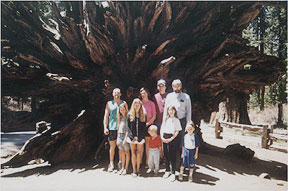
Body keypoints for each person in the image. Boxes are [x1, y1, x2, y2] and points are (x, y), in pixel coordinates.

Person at [162, 79, 192, 167]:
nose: (176, 87)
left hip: (182, 121)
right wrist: (164, 121)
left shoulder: (186, 97)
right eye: (175, 85)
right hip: (170, 121)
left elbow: (189, 111)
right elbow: (165, 110)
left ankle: (180, 165)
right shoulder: (169, 96)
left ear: (181, 86)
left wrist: (188, 123)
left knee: (180, 143)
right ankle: (169, 166)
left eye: (178, 85)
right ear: (172, 86)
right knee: (170, 144)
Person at [103, 88, 128, 172]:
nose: (116, 94)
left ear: (120, 94)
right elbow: (106, 116)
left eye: (118, 93)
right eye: (115, 93)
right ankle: (111, 163)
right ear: (112, 94)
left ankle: (120, 163)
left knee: (120, 146)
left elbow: (126, 115)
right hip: (112, 127)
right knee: (112, 146)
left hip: (121, 128)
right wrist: (105, 127)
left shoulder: (124, 103)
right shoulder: (109, 103)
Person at [160, 106, 182, 182]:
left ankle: (173, 173)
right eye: (169, 110)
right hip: (165, 137)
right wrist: (162, 138)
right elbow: (162, 128)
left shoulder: (176, 120)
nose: (171, 111)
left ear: (175, 111)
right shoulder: (166, 119)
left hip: (172, 138)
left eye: (172, 110)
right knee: (166, 155)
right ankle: (167, 170)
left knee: (173, 155)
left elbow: (177, 131)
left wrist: (171, 139)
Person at [127, 98, 146, 177]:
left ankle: (138, 169)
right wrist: (132, 137)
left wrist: (139, 137)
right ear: (133, 105)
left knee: (139, 153)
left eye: (138, 104)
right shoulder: (129, 114)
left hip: (140, 137)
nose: (137, 105)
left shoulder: (143, 115)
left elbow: (144, 128)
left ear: (140, 105)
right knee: (133, 153)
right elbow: (128, 128)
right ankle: (134, 170)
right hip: (132, 137)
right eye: (135, 104)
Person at [139, 87, 156, 168]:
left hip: (149, 125)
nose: (143, 94)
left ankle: (147, 162)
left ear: (147, 93)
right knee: (141, 144)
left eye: (145, 93)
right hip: (140, 125)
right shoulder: (139, 103)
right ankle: (140, 161)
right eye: (142, 93)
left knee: (147, 145)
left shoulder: (151, 103)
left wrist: (148, 123)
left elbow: (154, 116)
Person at [153, 79, 167, 161]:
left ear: (165, 86)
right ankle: (160, 156)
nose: (161, 87)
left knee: (165, 140)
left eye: (162, 85)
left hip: (166, 122)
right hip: (158, 121)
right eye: (159, 86)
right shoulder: (155, 96)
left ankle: (166, 157)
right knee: (158, 140)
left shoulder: (168, 96)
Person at [116, 102, 130, 175]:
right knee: (122, 152)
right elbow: (118, 129)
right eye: (120, 109)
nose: (122, 111)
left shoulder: (127, 117)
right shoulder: (119, 117)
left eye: (123, 109)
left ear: (125, 109)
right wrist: (118, 138)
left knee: (126, 152)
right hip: (120, 136)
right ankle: (122, 168)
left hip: (125, 136)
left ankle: (126, 168)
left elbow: (128, 129)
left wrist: (125, 139)